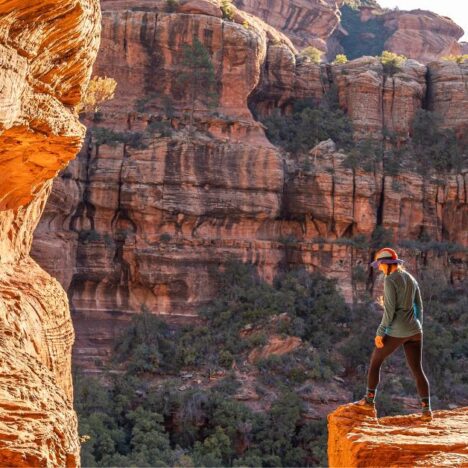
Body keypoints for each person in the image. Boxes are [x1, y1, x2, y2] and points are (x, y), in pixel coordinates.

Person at [356, 247, 432, 420]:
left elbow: (389, 312)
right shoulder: (411, 279)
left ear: (387, 264)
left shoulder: (390, 280)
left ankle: (369, 400)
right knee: (417, 370)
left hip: (398, 331)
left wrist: (380, 333)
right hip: (415, 331)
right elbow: (419, 306)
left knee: (375, 361)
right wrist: (419, 325)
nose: (380, 268)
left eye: (381, 265)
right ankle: (427, 410)